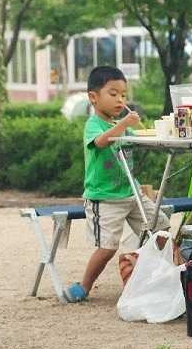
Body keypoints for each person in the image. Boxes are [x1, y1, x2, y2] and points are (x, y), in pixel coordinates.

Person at [64, 66, 160, 303]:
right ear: (94, 97)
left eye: (123, 95)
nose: (120, 99)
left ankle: (159, 279)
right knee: (107, 247)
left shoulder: (120, 123)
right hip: (105, 197)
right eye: (113, 93)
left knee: (160, 232)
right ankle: (84, 286)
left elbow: (138, 143)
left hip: (131, 192)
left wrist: (149, 134)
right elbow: (101, 142)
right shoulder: (94, 124)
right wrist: (125, 124)